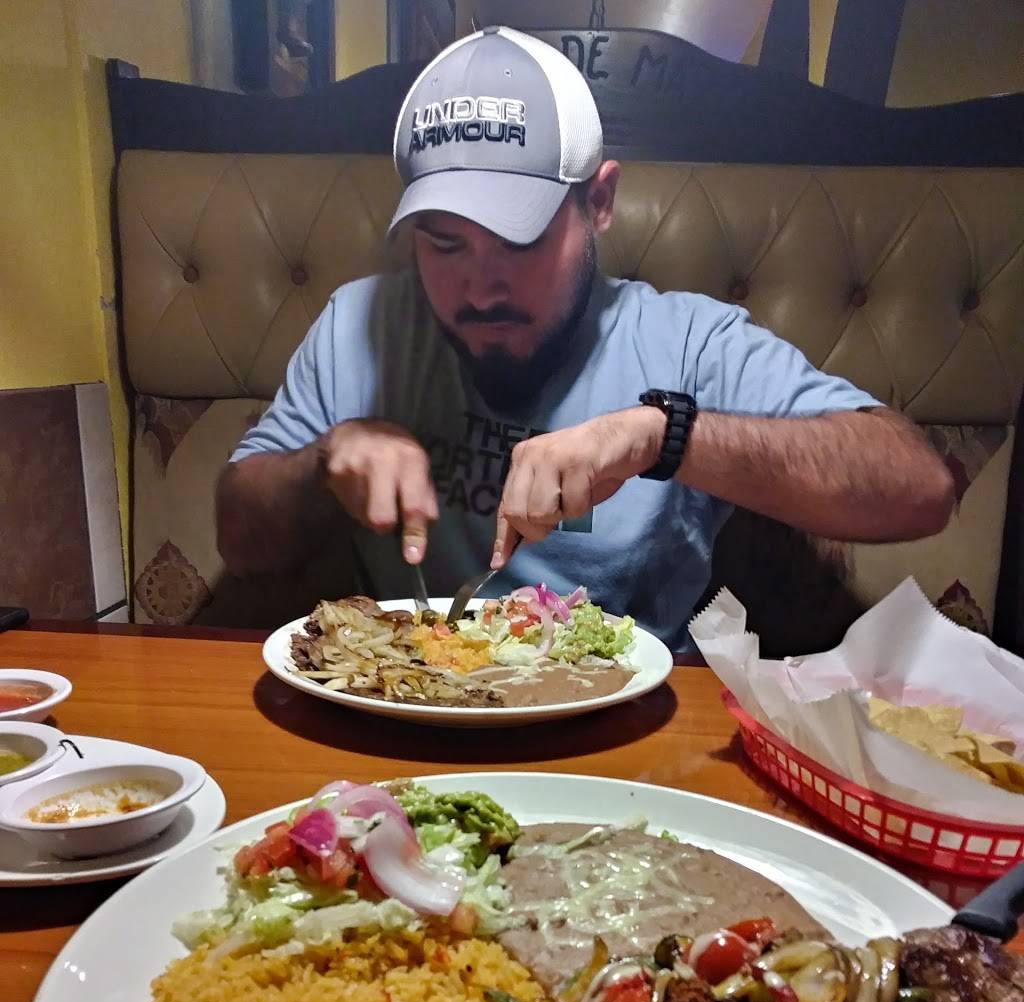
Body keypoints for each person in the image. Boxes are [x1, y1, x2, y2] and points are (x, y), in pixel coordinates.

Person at [217, 26, 953, 650]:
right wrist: (323, 462)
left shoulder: (686, 341)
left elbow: (919, 489)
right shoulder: (360, 325)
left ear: (599, 201)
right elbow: (239, 538)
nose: (480, 289)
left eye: (520, 240)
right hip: (404, 699)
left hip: (624, 724)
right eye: (444, 243)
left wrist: (662, 436)